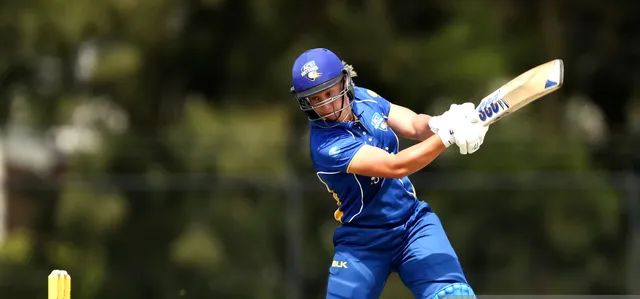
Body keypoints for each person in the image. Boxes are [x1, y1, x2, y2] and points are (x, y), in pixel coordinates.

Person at [290, 48, 488, 299]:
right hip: (363, 241)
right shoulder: (325, 146)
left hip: (413, 225)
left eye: (330, 93)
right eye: (317, 99)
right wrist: (447, 137)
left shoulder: (363, 98)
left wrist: (439, 123)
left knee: (454, 296)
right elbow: (396, 167)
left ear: (345, 81)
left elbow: (414, 124)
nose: (327, 106)